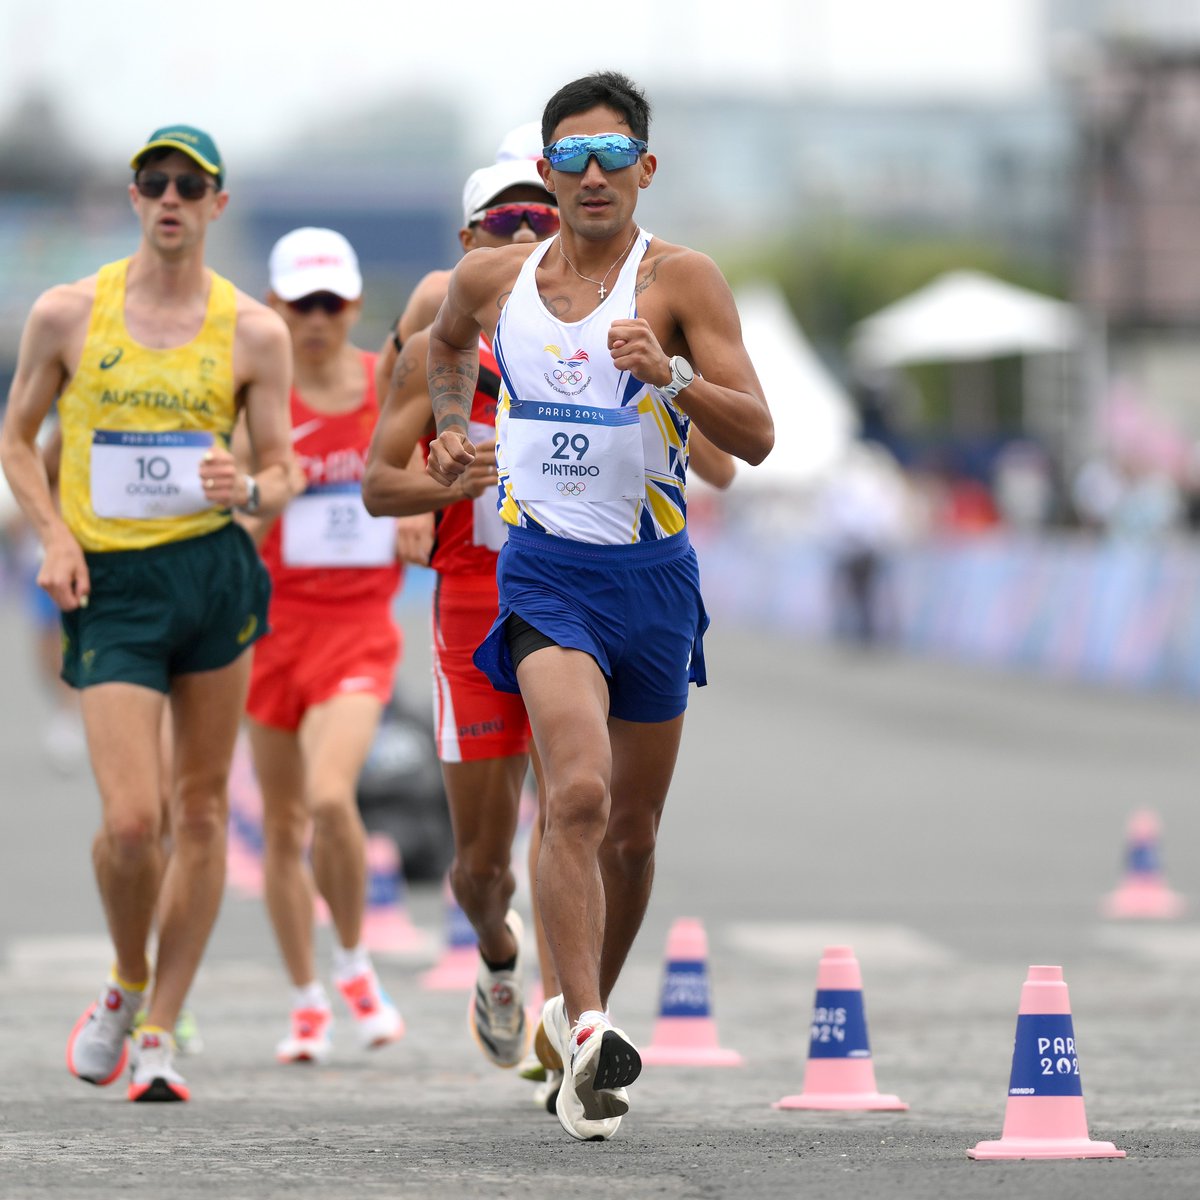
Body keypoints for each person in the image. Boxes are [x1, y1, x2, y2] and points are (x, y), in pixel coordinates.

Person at [423, 72, 773, 1141]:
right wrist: (451, 429)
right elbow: (445, 343)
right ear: (546, 171)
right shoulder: (493, 277)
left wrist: (670, 377)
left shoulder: (682, 279)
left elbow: (757, 437)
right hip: (545, 575)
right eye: (571, 157)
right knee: (575, 792)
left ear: (645, 169)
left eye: (612, 155)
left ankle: (585, 1026)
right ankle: (583, 1029)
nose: (591, 175)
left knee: (631, 834)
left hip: (654, 581)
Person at [0, 124, 294, 1102]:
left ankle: (161, 1027)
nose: (171, 197)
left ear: (216, 204)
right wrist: (52, 534)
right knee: (134, 823)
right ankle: (127, 980)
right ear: (134, 198)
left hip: (211, 577)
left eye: (189, 185)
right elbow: (15, 441)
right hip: (112, 586)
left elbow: (284, 470)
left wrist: (245, 488)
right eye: (154, 181)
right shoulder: (66, 314)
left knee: (202, 810)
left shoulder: (254, 331)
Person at [364, 155, 561, 1094]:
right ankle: (498, 952)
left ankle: (572, 1018)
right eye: (503, 221)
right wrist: (436, 488)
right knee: (482, 868)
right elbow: (378, 482)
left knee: (575, 811)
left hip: (571, 596)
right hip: (472, 607)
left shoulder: (603, 336)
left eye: (539, 219)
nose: (523, 234)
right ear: (468, 241)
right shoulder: (434, 346)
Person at [243, 227, 406, 1063]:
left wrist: (420, 513)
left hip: (357, 632)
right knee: (281, 826)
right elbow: (232, 523)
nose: (315, 319)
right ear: (274, 306)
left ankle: (353, 961)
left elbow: (428, 479)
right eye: (300, 303)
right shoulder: (258, 400)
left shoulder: (388, 384)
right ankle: (307, 1000)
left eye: (331, 303)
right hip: (270, 636)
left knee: (331, 795)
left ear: (354, 305)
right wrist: (270, 496)